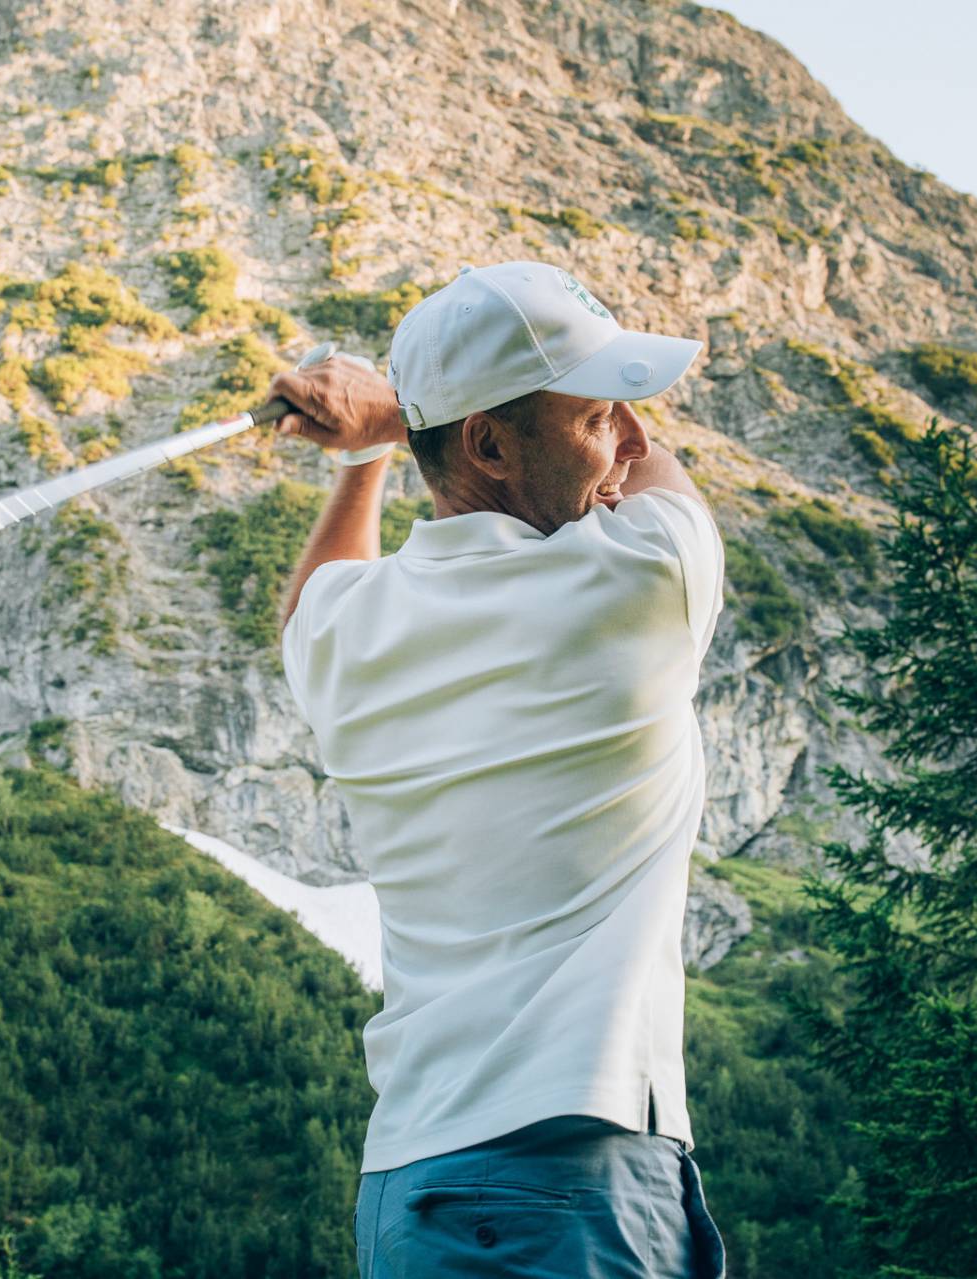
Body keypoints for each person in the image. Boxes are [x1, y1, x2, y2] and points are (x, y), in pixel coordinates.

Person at [268, 261, 730, 1278]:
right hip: (571, 1165)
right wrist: (393, 422)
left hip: (410, 1183)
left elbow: (314, 594)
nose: (622, 440)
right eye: (596, 416)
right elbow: (659, 465)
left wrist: (380, 446)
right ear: (488, 441)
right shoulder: (642, 581)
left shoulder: (345, 633)